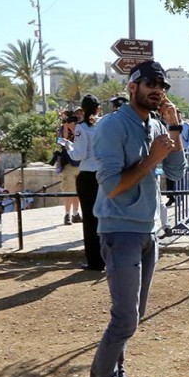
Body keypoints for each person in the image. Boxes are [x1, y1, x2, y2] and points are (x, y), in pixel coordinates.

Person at [85, 61, 187, 377]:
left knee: (134, 316)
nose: (157, 89)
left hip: (147, 230)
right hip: (120, 230)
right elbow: (112, 184)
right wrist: (152, 159)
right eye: (150, 83)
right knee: (124, 317)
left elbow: (175, 172)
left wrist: (174, 129)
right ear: (132, 87)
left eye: (162, 84)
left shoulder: (158, 124)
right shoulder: (112, 126)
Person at [70, 93, 106, 272]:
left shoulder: (81, 128)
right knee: (103, 217)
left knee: (90, 220)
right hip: (102, 174)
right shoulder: (102, 126)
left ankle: (94, 261)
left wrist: (68, 146)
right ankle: (106, 256)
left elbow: (79, 155)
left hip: (88, 176)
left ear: (82, 110)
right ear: (98, 109)